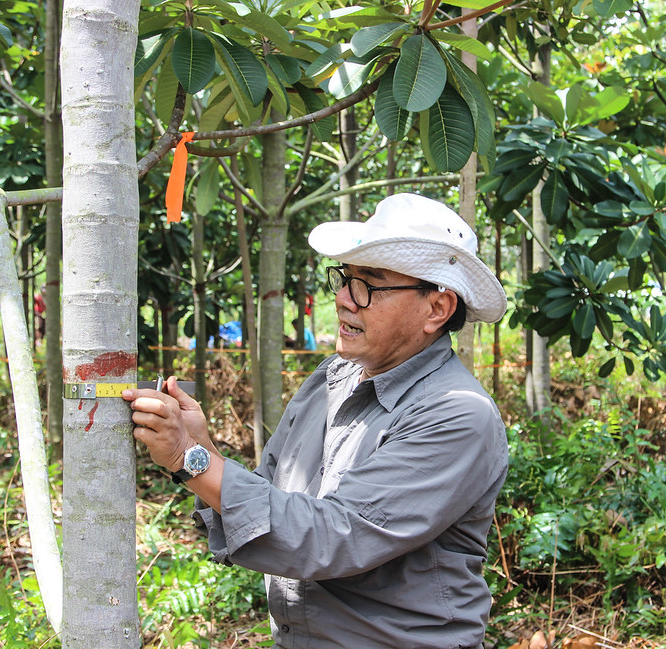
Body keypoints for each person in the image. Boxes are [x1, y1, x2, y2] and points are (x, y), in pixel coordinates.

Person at [123, 193, 509, 649]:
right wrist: (202, 447)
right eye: (346, 279)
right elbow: (270, 495)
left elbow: (335, 537)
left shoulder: (457, 414)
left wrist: (191, 460)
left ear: (436, 309)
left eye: (371, 284)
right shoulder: (332, 378)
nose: (344, 299)